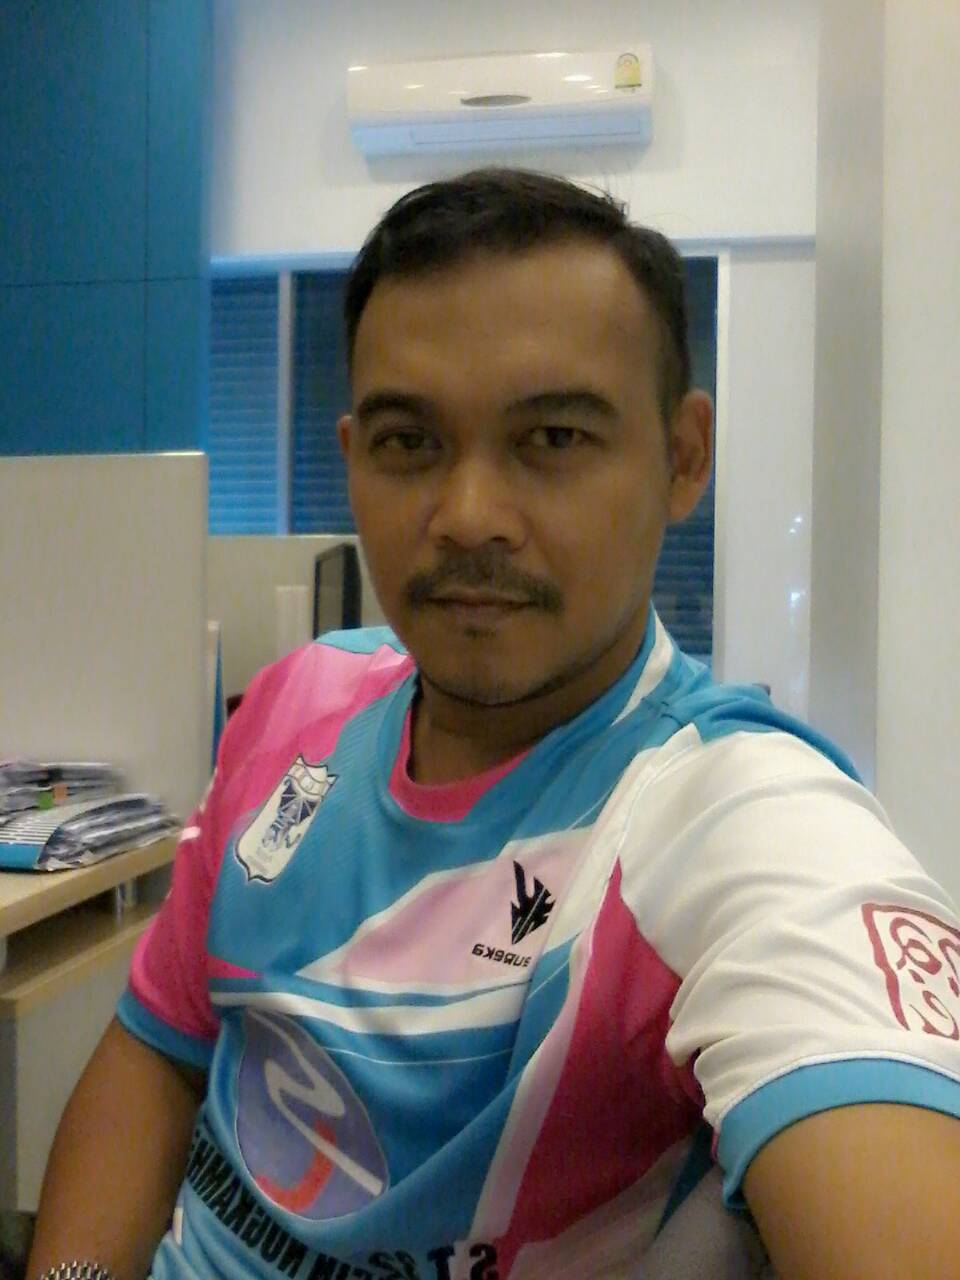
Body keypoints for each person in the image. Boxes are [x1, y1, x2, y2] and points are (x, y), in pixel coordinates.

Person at [27, 169, 960, 1280]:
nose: (469, 517)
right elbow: (162, 1048)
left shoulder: (732, 818)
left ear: (684, 458)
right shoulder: (298, 701)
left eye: (553, 436)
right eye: (408, 442)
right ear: (351, 458)